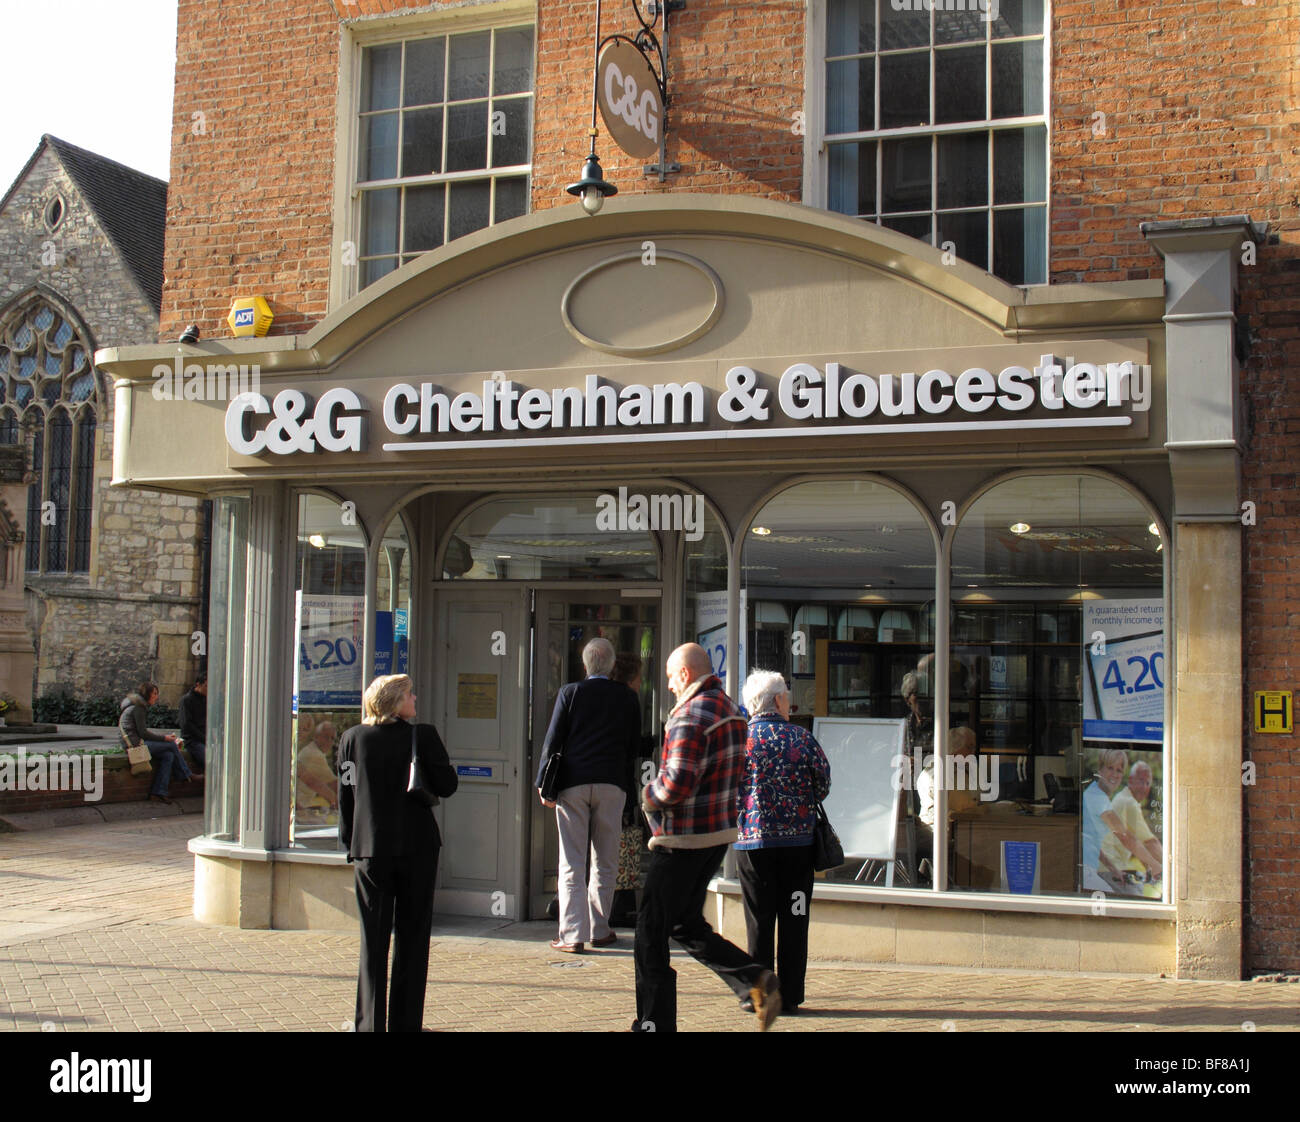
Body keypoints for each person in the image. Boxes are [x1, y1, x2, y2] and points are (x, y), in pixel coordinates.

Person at [634, 642, 782, 1032]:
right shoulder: (732, 708)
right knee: (684, 923)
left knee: (650, 933)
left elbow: (676, 783)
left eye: (669, 676)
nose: (667, 685)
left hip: (682, 839)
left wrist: (646, 796)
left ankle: (653, 1024)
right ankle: (753, 978)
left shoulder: (690, 715)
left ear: (684, 674)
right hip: (718, 834)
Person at [338, 673, 458, 1032]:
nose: (415, 698)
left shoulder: (351, 739)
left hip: (370, 850)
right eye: (409, 694)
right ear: (395, 701)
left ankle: (369, 1024)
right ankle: (406, 1023)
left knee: (372, 940)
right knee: (412, 936)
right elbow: (448, 785)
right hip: (416, 848)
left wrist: (350, 843)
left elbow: (346, 795)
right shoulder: (423, 735)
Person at [734, 669, 831, 1015]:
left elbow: (728, 789)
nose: (789, 702)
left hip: (752, 845)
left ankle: (759, 996)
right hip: (798, 848)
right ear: (777, 700)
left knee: (759, 920)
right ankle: (789, 994)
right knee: (795, 916)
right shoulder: (801, 738)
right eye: (787, 696)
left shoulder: (740, 740)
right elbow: (823, 781)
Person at [535, 637, 641, 952]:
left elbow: (553, 740)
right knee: (605, 860)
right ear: (610, 666)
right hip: (612, 783)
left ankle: (571, 934)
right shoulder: (627, 697)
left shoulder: (570, 693)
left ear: (586, 665)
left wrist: (544, 781)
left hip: (572, 784)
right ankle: (600, 928)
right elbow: (633, 747)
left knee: (571, 860)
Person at [1082, 748, 1160, 894]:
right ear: (1100, 769)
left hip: (1095, 867)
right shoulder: (1098, 799)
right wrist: (1155, 864)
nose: (1115, 774)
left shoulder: (1095, 793)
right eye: (1110, 768)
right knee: (1129, 900)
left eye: (1119, 770)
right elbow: (1125, 836)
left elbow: (1091, 843)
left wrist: (1115, 870)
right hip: (1088, 871)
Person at [119, 681, 193, 804]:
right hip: (134, 746)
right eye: (154, 693)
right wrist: (165, 739)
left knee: (168, 756)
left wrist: (164, 738)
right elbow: (143, 733)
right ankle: (186, 774)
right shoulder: (138, 707)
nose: (156, 696)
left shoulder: (137, 706)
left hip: (136, 742)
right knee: (170, 744)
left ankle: (159, 792)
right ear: (147, 694)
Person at [296, 720, 340, 824]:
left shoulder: (313, 751)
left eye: (332, 738)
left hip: (301, 806)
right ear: (315, 737)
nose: (329, 741)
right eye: (326, 737)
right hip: (300, 809)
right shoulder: (313, 754)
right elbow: (333, 785)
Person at [177, 674, 207, 776]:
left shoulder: (206, 700)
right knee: (208, 759)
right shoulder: (186, 700)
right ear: (198, 685)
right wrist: (204, 738)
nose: (208, 689)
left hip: (205, 739)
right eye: (206, 686)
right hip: (192, 740)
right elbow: (186, 724)